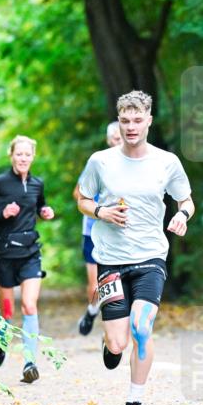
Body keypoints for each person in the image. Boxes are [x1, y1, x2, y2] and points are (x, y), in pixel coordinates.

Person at [76, 90, 194, 405]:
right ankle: (110, 344)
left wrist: (182, 215)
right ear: (120, 121)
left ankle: (135, 401)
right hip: (111, 260)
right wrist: (101, 211)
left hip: (151, 256)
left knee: (142, 328)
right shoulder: (101, 161)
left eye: (137, 120)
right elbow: (82, 199)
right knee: (118, 342)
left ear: (149, 121)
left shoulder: (166, 162)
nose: (131, 127)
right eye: (125, 120)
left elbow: (186, 200)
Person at [0, 135, 55, 384]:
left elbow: (40, 206)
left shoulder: (38, 183)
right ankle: (2, 341)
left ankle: (29, 362)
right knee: (7, 311)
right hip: (5, 253)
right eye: (19, 154)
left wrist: (44, 211)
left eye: (27, 154)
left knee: (29, 305)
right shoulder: (0, 182)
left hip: (30, 253)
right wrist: (0, 214)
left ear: (33, 157)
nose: (23, 158)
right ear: (11, 155)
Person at [75, 122, 122, 335]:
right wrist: (98, 206)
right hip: (93, 231)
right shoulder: (98, 162)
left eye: (120, 136)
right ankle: (92, 310)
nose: (118, 140)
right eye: (114, 137)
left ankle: (110, 331)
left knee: (119, 285)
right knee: (96, 286)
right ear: (108, 140)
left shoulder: (134, 163)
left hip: (120, 232)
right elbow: (78, 194)